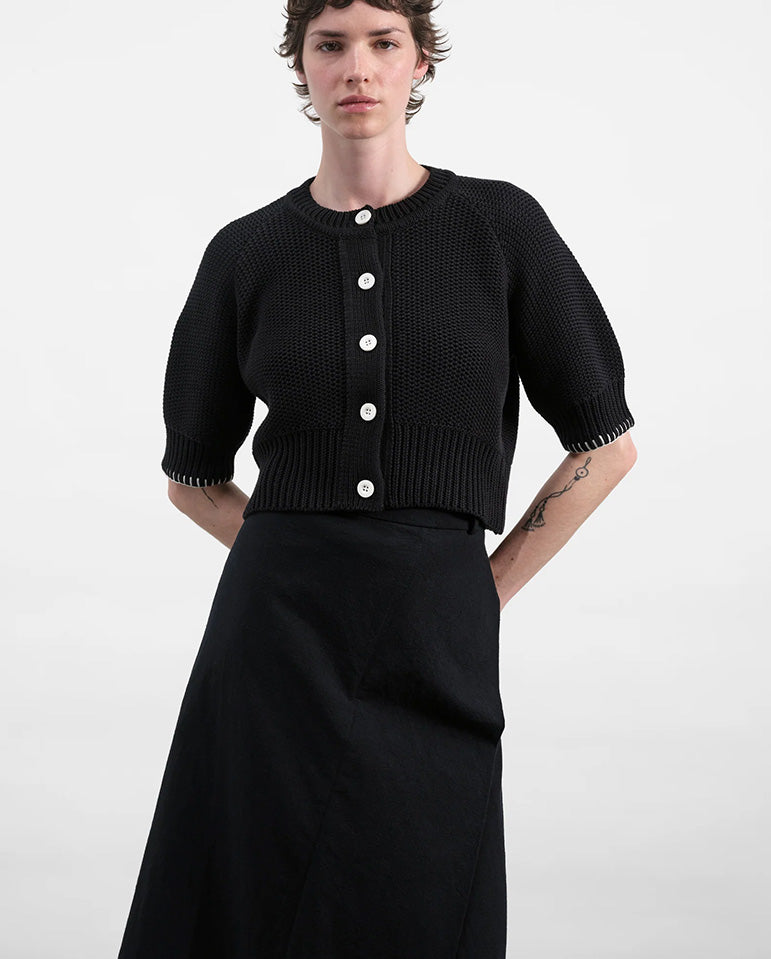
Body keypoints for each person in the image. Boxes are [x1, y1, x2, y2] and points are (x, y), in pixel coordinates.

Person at [116, 1, 637, 957]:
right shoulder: (246, 252)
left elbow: (604, 443)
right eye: (330, 44)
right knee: (244, 899)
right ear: (301, 66)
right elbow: (191, 474)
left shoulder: (498, 227)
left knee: (426, 894)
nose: (356, 67)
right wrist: (293, 559)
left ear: (419, 60)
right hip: (272, 642)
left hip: (436, 625)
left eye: (382, 42)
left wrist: (481, 586)